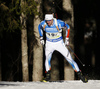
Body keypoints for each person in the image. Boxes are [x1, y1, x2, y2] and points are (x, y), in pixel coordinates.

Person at [38, 14, 88, 83]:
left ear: (52, 19)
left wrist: (67, 38)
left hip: (59, 43)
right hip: (49, 43)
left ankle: (80, 75)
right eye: (47, 21)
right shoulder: (43, 23)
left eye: (49, 21)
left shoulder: (59, 23)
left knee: (69, 58)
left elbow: (68, 27)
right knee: (47, 58)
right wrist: (41, 37)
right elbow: (39, 27)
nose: (48, 22)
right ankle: (47, 76)